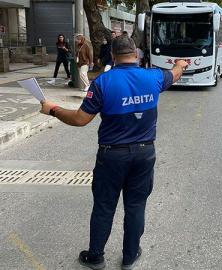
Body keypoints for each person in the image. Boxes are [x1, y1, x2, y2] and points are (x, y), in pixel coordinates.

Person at [39, 35, 189, 270]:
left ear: (112, 56)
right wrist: (180, 64)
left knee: (104, 207)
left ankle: (96, 257)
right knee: (136, 205)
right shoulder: (154, 77)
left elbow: (80, 120)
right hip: (144, 154)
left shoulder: (103, 82)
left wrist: (53, 109)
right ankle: (130, 256)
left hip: (112, 157)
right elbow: (175, 74)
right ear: (136, 54)